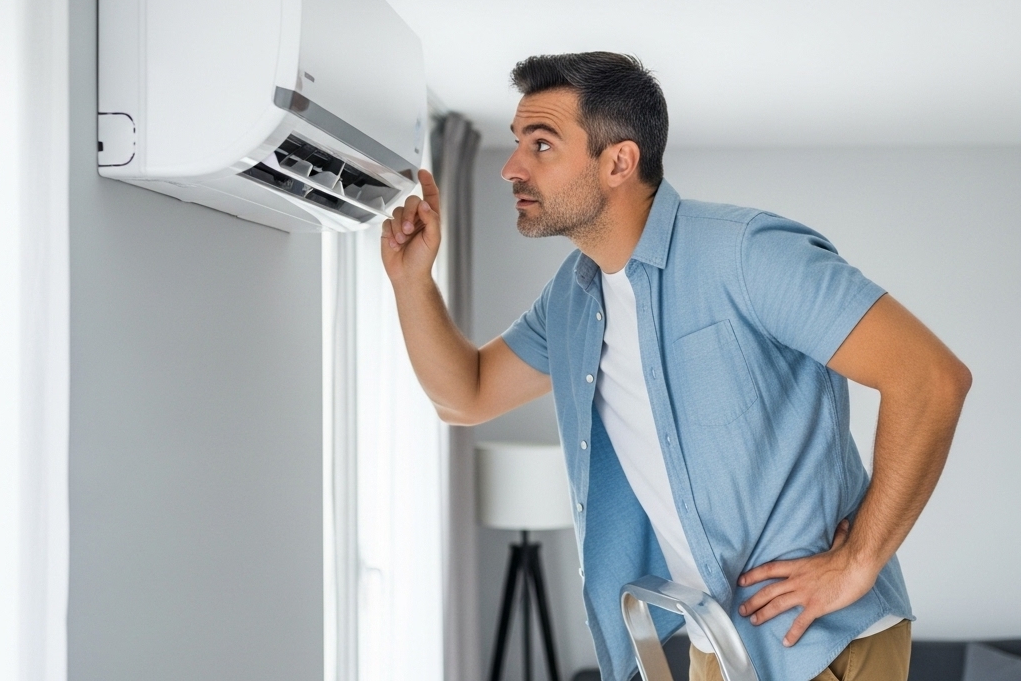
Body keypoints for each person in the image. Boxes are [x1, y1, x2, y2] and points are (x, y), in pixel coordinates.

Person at [380, 52, 971, 681]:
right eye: (517, 143)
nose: (511, 168)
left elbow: (931, 377)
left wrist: (859, 561)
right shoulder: (575, 296)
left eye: (542, 144)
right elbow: (464, 396)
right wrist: (412, 282)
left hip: (818, 639)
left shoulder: (744, 253)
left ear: (619, 162)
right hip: (713, 641)